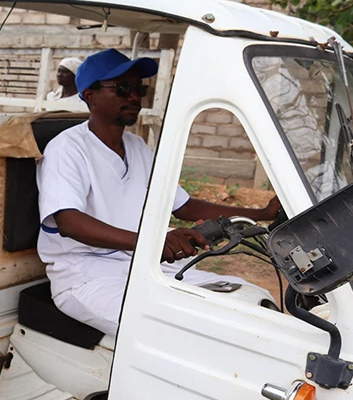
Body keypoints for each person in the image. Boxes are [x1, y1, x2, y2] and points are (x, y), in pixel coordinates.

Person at [36, 49, 282, 336]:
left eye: (139, 88)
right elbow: (69, 222)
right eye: (122, 88)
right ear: (90, 95)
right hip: (88, 276)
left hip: (145, 266)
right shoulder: (66, 148)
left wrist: (261, 214)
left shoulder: (137, 147)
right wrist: (152, 243)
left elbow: (183, 206)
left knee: (252, 302)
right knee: (179, 331)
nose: (134, 97)